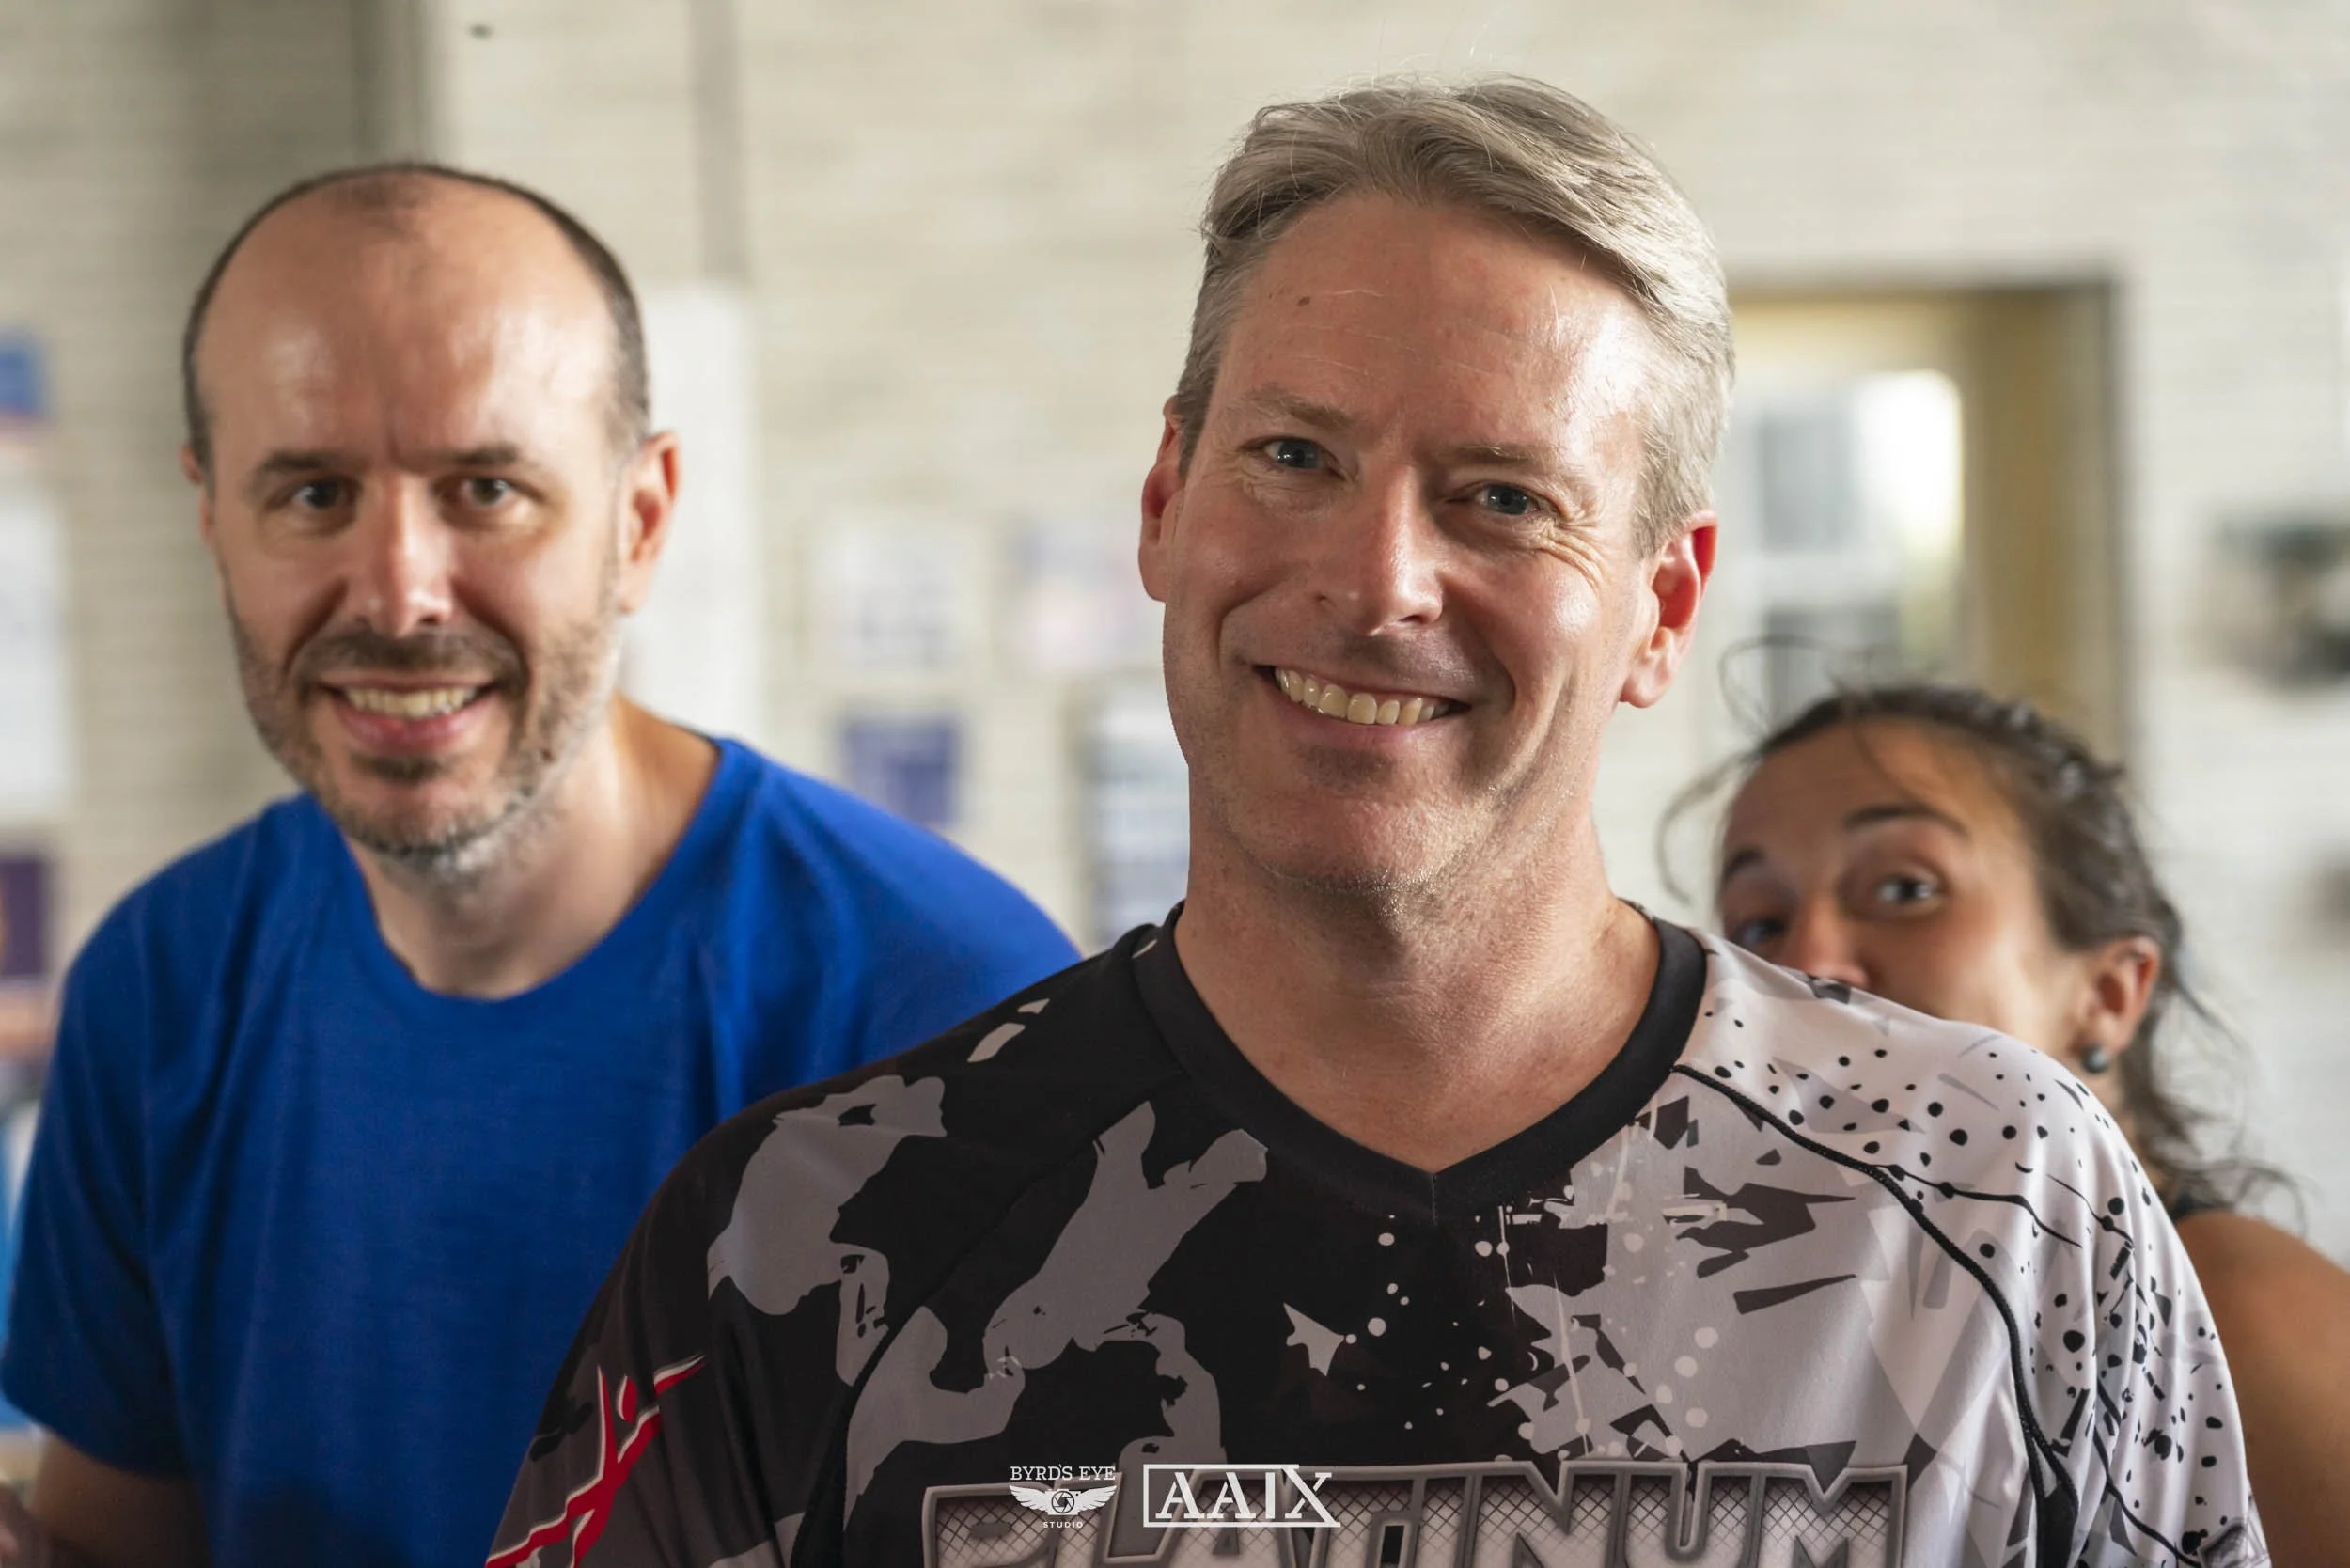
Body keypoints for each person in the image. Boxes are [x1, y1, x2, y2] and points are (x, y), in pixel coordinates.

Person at [493, 78, 2262, 1567]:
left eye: (1502, 496)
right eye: (1295, 460)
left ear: (1663, 604)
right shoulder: (806, 1240)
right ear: (1168, 504)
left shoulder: (1998, 1202)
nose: (1377, 579)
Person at [0, 165, 1076, 1568]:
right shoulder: (160, 987)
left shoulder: (952, 1023)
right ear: (213, 518)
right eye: (314, 492)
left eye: (488, 490)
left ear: (639, 521)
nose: (397, 593)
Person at [1712, 682, 2350, 1565]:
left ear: (2106, 994)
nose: (1806, 961)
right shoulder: (1806, 1323)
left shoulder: (2247, 1321)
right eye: (1759, 922)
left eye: (1905, 887)